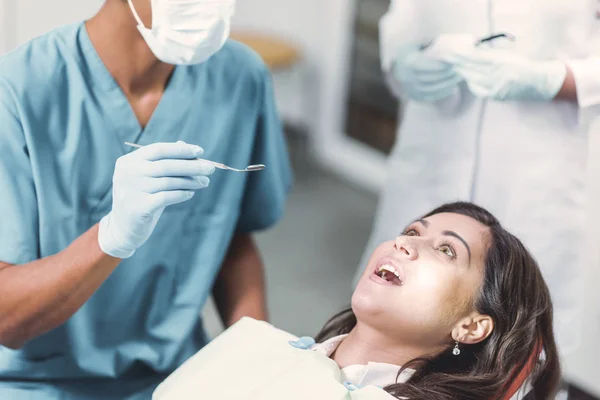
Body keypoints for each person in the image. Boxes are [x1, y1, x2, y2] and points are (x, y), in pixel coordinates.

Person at [0, 0, 292, 398]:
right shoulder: (17, 90)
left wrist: (262, 358)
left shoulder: (240, 77)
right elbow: (7, 320)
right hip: (33, 383)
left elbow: (231, 240)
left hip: (175, 374)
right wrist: (111, 236)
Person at [358, 0, 599, 363]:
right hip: (433, 152)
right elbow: (404, 18)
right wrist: (402, 63)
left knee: (519, 345)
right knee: (390, 317)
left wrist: (555, 80)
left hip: (534, 173)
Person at [154, 202, 561, 400]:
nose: (405, 243)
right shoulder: (257, 347)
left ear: (471, 326)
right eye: (413, 231)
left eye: (447, 251)